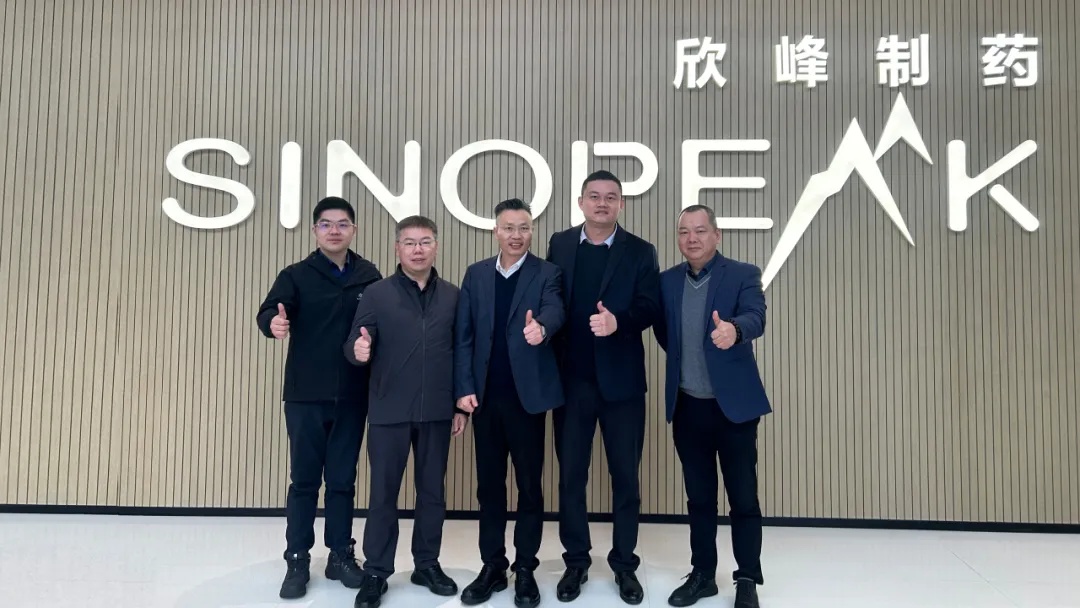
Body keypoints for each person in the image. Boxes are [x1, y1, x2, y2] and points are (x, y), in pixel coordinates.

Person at [255, 196, 382, 599]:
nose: (334, 231)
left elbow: (382, 325)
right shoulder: (296, 275)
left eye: (342, 224)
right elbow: (268, 312)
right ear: (315, 231)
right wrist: (273, 324)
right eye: (326, 224)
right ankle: (297, 558)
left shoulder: (369, 276)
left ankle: (340, 555)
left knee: (342, 480)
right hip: (305, 395)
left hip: (353, 394)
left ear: (354, 230)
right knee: (305, 481)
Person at [544, 170, 661, 605]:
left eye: (611, 197)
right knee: (571, 477)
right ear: (581, 202)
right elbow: (551, 298)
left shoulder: (641, 251)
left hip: (622, 386)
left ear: (622, 204)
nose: (602, 203)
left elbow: (650, 306)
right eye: (594, 196)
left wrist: (619, 322)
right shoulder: (559, 244)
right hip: (571, 382)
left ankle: (625, 564)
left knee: (625, 478)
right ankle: (576, 561)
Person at [343, 215, 467, 608]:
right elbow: (354, 342)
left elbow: (461, 352)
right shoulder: (376, 294)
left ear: (436, 247)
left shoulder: (453, 296)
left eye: (425, 241)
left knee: (432, 494)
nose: (417, 249)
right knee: (383, 495)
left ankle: (426, 564)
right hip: (388, 409)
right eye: (409, 242)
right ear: (397, 248)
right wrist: (358, 350)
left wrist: (461, 404)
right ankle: (376, 571)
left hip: (437, 410)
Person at [653, 205, 771, 608]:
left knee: (743, 498)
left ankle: (747, 578)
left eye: (700, 230)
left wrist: (734, 330)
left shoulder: (742, 274)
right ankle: (703, 574)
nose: (692, 239)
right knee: (699, 498)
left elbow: (756, 317)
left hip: (733, 408)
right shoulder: (667, 281)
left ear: (716, 235)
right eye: (684, 231)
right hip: (688, 407)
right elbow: (665, 334)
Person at [453, 198, 566, 608]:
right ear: (495, 231)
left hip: (526, 400)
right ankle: (493, 566)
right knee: (489, 488)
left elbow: (556, 309)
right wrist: (463, 390)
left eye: (523, 228)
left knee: (529, 487)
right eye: (508, 228)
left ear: (531, 231)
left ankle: (525, 568)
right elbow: (464, 336)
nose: (516, 235)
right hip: (484, 399)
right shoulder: (476, 274)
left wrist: (543, 328)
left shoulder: (548, 272)